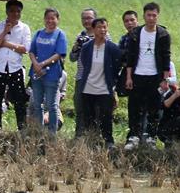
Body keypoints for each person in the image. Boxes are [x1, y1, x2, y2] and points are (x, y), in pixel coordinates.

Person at [124, 2, 171, 150]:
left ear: (158, 16)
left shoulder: (163, 34)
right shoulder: (135, 33)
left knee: (154, 108)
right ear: (144, 16)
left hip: (155, 76)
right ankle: (134, 136)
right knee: (134, 107)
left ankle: (151, 137)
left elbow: (166, 58)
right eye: (148, 15)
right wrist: (129, 77)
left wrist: (165, 79)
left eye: (154, 15)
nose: (151, 18)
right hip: (137, 75)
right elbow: (130, 57)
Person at [78, 17, 122, 149]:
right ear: (93, 29)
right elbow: (84, 62)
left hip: (104, 88)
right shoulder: (87, 47)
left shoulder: (112, 48)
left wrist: (112, 85)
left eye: (104, 27)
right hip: (88, 87)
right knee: (88, 117)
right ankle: (91, 140)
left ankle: (108, 141)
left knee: (106, 116)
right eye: (99, 27)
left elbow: (116, 67)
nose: (102, 30)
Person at [0, 0, 31, 131]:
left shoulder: (24, 28)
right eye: (12, 11)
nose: (15, 14)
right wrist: (4, 32)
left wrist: (6, 44)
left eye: (18, 11)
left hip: (15, 68)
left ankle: (22, 130)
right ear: (7, 12)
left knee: (19, 101)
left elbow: (25, 49)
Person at [28, 8, 67, 133]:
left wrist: (42, 64)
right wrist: (36, 64)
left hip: (52, 74)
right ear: (44, 19)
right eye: (47, 18)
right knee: (37, 104)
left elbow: (59, 54)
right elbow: (32, 51)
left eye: (52, 18)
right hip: (36, 73)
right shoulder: (39, 33)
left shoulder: (60, 35)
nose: (50, 21)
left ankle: (52, 133)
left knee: (51, 105)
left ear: (57, 19)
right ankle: (39, 131)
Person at [69, 8, 97, 137]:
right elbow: (72, 58)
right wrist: (76, 47)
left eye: (89, 18)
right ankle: (79, 136)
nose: (86, 21)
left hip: (97, 78)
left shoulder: (102, 34)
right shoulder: (80, 36)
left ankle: (94, 136)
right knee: (80, 107)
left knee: (96, 109)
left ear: (95, 19)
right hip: (81, 77)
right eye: (84, 18)